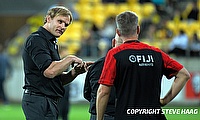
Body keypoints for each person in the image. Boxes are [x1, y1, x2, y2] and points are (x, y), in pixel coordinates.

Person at [96, 11, 190, 120]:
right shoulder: (157, 53)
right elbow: (184, 75)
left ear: (118, 32)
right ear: (138, 29)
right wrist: (164, 101)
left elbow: (103, 91)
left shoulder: (115, 54)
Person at [22, 6, 92, 120]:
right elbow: (49, 72)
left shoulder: (51, 42)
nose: (63, 27)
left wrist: (74, 72)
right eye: (60, 21)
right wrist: (69, 58)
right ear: (48, 19)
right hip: (39, 101)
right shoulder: (37, 40)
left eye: (66, 24)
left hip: (47, 101)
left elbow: (56, 79)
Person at [84, 33, 123, 120]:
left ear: (113, 42)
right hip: (123, 113)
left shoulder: (96, 65)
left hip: (98, 114)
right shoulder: (134, 66)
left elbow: (87, 93)